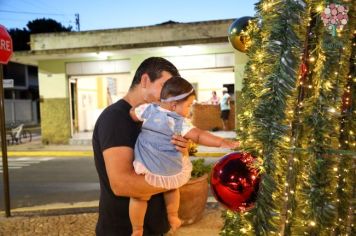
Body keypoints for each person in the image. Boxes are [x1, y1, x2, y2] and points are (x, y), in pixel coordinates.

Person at [129, 77, 240, 236]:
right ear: (174, 106)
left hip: (147, 163)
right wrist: (223, 142)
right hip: (169, 166)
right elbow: (200, 136)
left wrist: (138, 107)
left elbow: (133, 114)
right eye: (188, 105)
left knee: (139, 197)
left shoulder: (148, 110)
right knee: (172, 189)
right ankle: (173, 216)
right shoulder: (179, 122)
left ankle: (137, 229)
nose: (190, 110)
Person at [92, 57, 189, 236]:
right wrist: (177, 179)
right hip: (123, 230)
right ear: (145, 80)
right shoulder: (115, 118)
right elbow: (122, 184)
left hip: (154, 228)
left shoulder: (156, 117)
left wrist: (181, 153)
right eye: (164, 86)